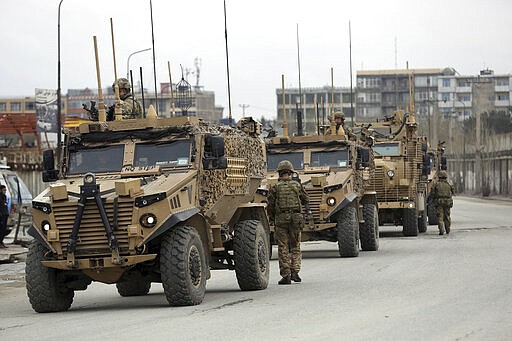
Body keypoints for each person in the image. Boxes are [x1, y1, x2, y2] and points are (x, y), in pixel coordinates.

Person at [267, 160, 310, 285]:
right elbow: (306, 199)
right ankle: (295, 272)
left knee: (283, 247)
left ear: (279, 173)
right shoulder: (297, 185)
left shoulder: (275, 188)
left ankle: (286, 274)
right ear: (291, 172)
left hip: (281, 220)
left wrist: (272, 218)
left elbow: (270, 205)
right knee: (295, 245)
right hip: (296, 219)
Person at [431, 170, 454, 235]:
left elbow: (432, 193)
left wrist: (433, 199)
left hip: (439, 202)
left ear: (439, 177)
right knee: (447, 216)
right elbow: (453, 192)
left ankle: (441, 230)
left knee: (440, 216)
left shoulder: (436, 184)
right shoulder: (449, 184)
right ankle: (448, 229)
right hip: (447, 202)